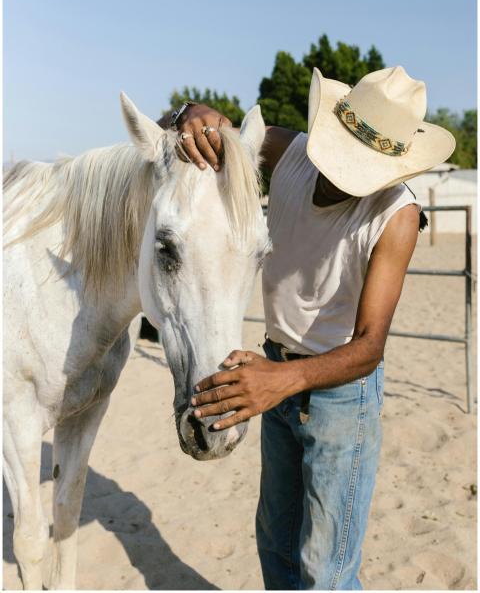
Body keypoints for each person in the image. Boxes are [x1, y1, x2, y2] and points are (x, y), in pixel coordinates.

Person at [166, 66, 456, 590]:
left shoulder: (396, 215)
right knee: (275, 547)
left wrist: (282, 382)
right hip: (273, 373)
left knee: (326, 568)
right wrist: (192, 116)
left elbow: (369, 347)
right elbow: (202, 131)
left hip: (341, 398)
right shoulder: (290, 152)